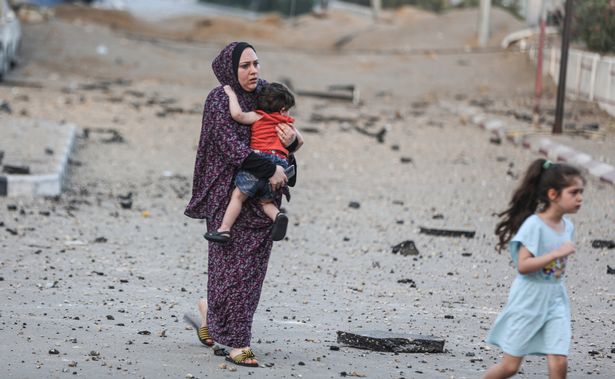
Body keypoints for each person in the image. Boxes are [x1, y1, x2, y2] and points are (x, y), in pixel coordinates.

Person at [184, 42, 300, 368]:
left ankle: (215, 318)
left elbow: (279, 136)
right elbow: (230, 148)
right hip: (226, 197)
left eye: (256, 64)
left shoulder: (265, 94)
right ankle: (237, 342)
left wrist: (291, 148)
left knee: (250, 275)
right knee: (227, 273)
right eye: (245, 66)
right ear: (230, 70)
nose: (253, 71)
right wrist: (272, 169)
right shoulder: (219, 100)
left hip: (262, 197)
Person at [483, 159, 585, 379]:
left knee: (559, 361)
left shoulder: (567, 226)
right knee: (510, 367)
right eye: (574, 192)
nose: (580, 198)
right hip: (528, 299)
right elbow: (523, 266)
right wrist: (555, 254)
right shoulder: (534, 226)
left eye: (581, 192)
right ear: (553, 194)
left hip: (556, 299)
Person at [203, 82, 303, 244]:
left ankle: (224, 229)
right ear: (283, 109)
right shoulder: (287, 123)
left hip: (260, 161)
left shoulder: (259, 116)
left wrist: (231, 95)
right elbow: (300, 141)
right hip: (281, 164)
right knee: (265, 201)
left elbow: (238, 115)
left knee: (238, 196)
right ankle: (278, 215)